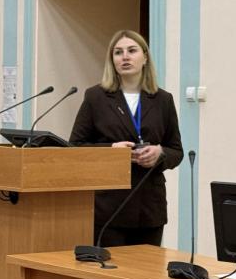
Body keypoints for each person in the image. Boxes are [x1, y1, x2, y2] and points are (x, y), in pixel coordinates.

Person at [70, 30, 183, 246]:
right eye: (118, 52)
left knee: (145, 267)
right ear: (112, 60)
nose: (125, 57)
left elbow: (176, 151)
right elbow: (75, 146)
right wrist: (111, 150)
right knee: (109, 267)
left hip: (149, 206)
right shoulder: (96, 97)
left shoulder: (163, 100)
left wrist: (160, 153)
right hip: (108, 207)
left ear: (145, 57)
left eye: (132, 51)